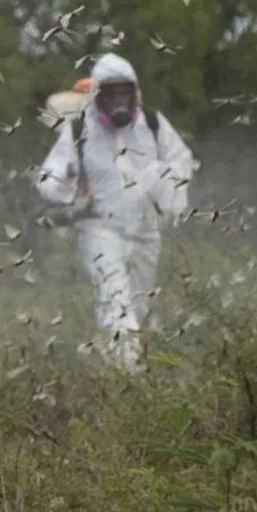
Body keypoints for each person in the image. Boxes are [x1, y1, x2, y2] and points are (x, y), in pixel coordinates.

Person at [35, 53, 195, 368]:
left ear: (135, 93)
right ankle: (130, 382)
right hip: (100, 230)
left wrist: (165, 183)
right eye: (112, 93)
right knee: (116, 306)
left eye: (125, 92)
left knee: (137, 311)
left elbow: (182, 160)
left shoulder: (153, 123)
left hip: (147, 231)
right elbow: (48, 178)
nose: (119, 100)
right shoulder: (79, 128)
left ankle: (109, 376)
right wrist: (67, 176)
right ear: (98, 96)